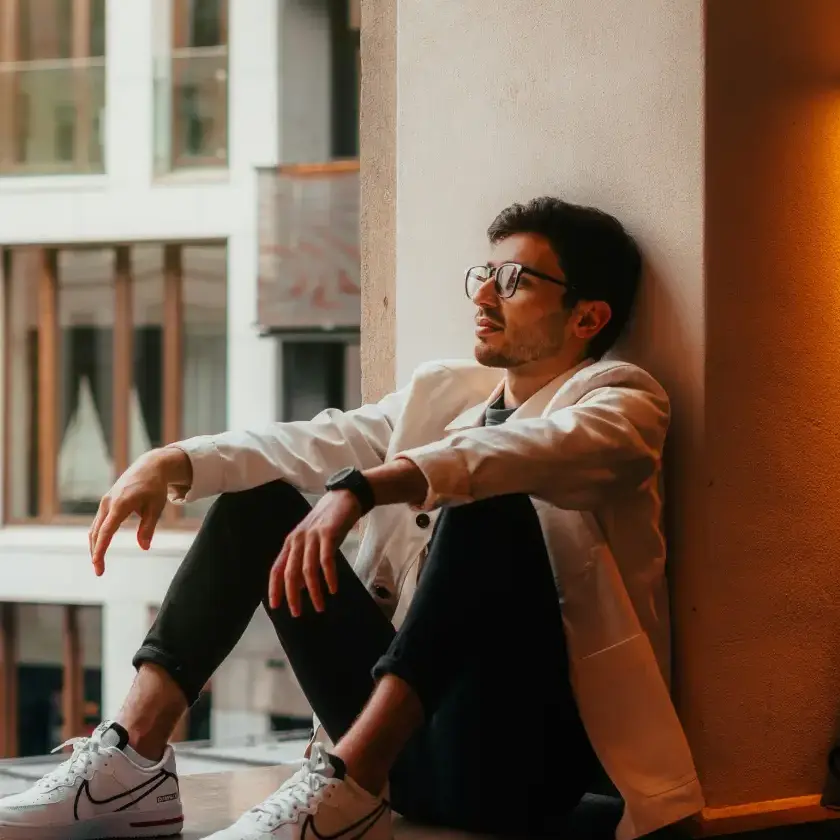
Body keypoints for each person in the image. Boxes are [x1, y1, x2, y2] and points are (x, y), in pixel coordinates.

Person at [0, 197, 704, 840]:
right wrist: (173, 461)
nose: (485, 295)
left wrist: (364, 490)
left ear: (587, 318)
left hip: (522, 766)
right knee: (256, 501)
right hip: (410, 753)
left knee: (486, 504)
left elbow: (527, 451)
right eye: (485, 275)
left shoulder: (624, 402)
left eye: (514, 280)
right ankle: (131, 764)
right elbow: (318, 439)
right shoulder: (446, 397)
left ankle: (352, 784)